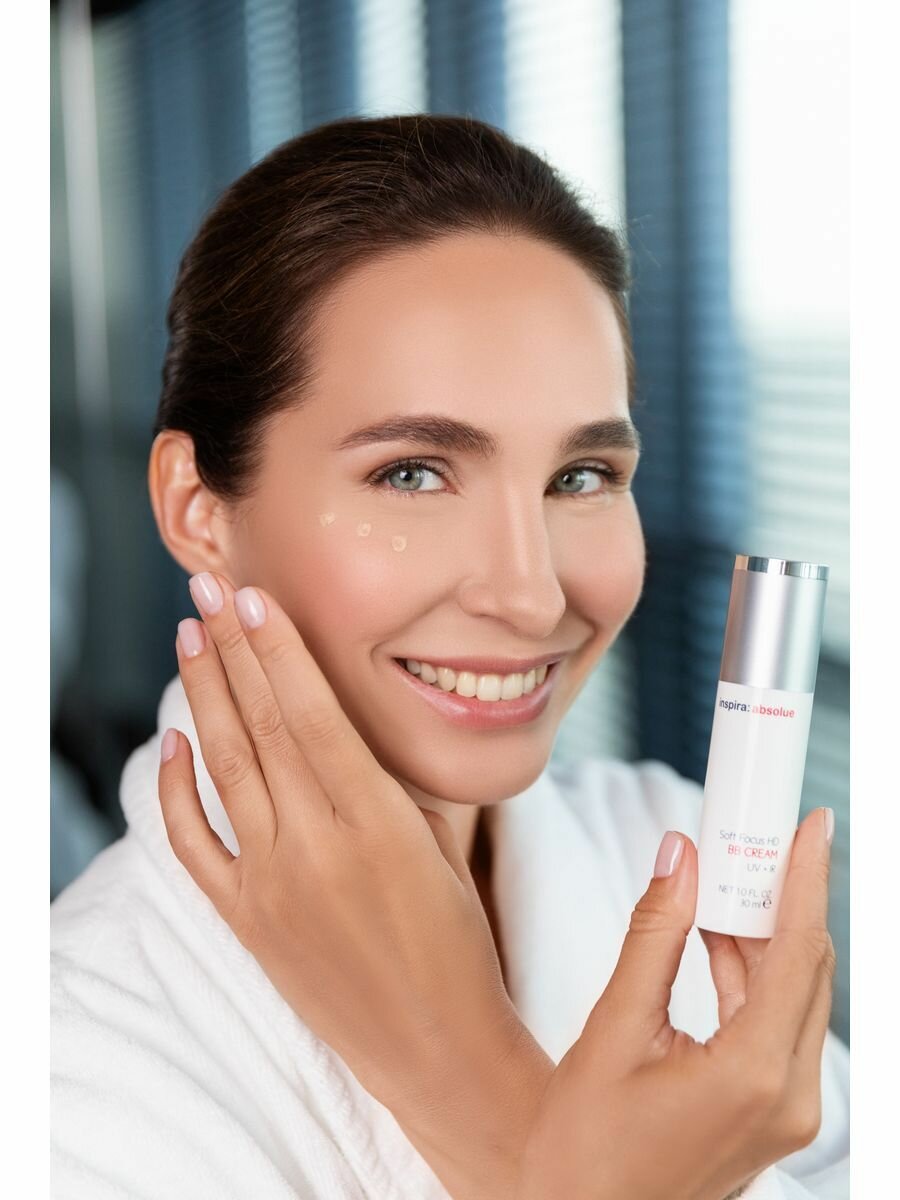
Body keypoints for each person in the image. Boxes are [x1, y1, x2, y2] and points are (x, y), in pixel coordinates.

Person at [51, 114, 849, 1199]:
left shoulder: (668, 851)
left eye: (580, 478)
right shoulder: (64, 1065)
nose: (531, 595)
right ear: (198, 507)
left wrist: (472, 1083)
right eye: (414, 473)